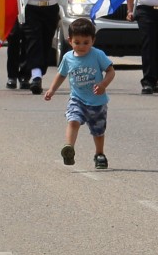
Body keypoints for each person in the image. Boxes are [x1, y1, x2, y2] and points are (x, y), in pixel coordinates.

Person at [45, 14, 114, 170]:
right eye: (77, 42)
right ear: (70, 41)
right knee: (73, 121)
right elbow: (61, 74)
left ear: (93, 41)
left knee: (98, 131)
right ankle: (69, 148)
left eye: (86, 42)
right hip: (77, 99)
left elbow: (111, 72)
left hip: (97, 102)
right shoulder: (68, 58)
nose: (81, 46)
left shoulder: (98, 55)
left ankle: (99, 154)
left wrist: (103, 84)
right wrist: (51, 90)